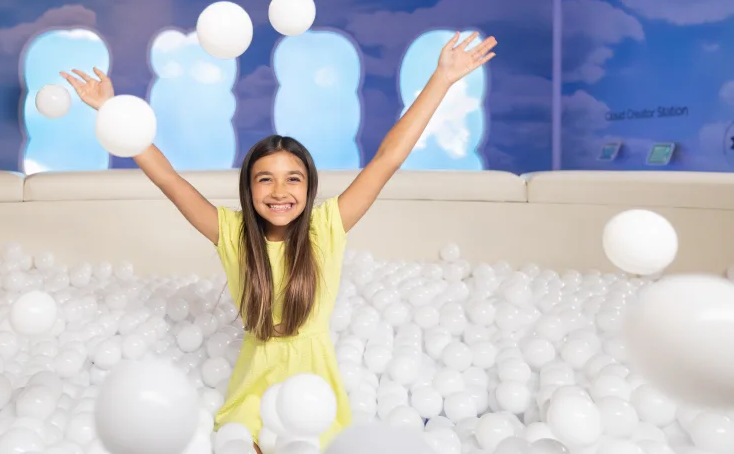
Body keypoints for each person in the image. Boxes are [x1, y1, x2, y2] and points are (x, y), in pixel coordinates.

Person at [62, 31, 497, 452]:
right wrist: (111, 111)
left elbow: (388, 158)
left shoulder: (327, 227)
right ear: (248, 190)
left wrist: (441, 79)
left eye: (293, 179)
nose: (279, 191)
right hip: (256, 383)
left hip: (315, 384)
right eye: (264, 180)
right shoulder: (231, 234)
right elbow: (170, 181)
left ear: (309, 188)